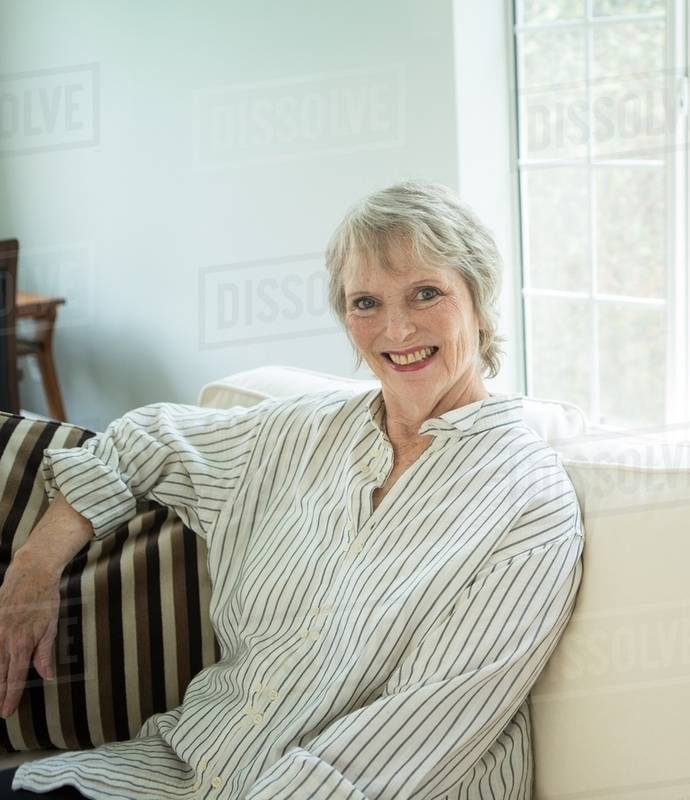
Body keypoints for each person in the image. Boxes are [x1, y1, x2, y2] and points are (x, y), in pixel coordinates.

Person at [0, 180, 585, 799]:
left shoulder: (529, 503)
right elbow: (146, 441)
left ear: (479, 299)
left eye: (426, 293)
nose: (396, 328)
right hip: (173, 774)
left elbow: (412, 735)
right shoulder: (299, 432)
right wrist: (35, 566)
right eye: (365, 303)